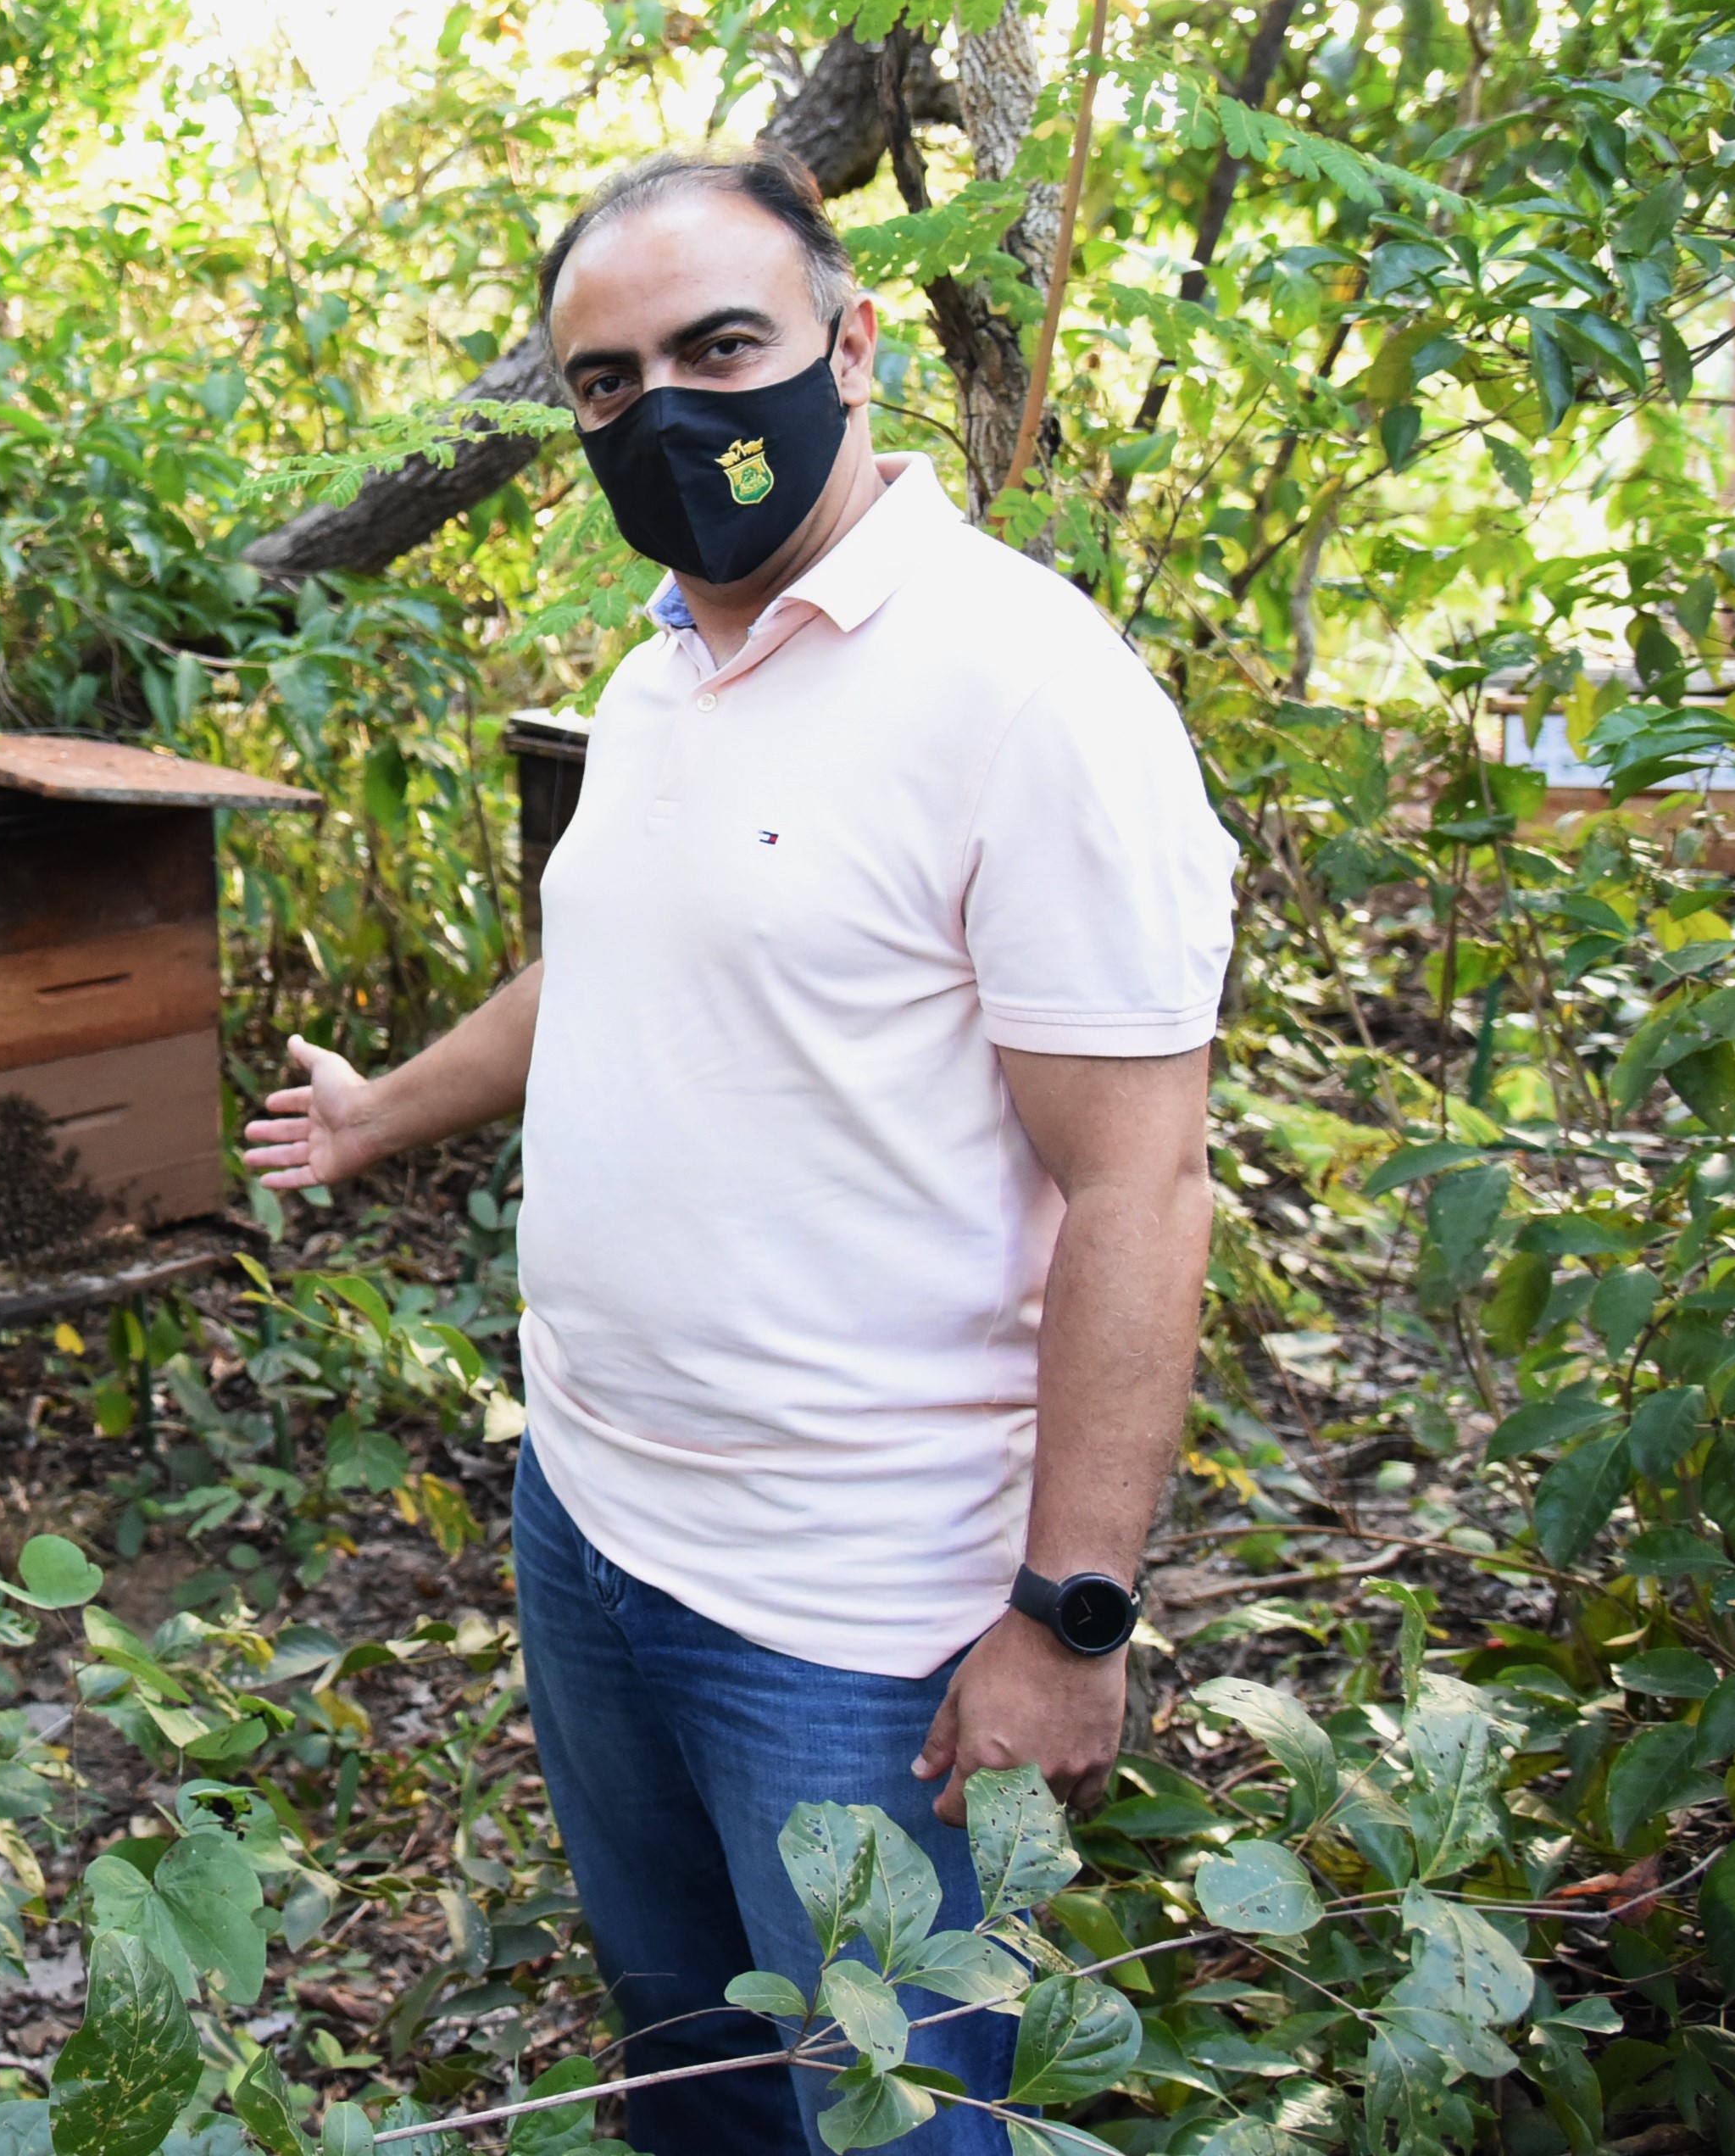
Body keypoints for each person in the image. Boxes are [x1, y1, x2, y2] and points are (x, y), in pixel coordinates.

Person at [242, 153, 1237, 2156]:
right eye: (607, 383)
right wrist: (376, 1110)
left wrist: (1070, 1615)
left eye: (719, 350)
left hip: (851, 1614)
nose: (668, 413)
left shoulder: (1026, 691)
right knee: (689, 2064)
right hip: (589, 1521)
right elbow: (603, 963)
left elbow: (1138, 1181)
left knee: (894, 2114)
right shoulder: (657, 672)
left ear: (850, 346)